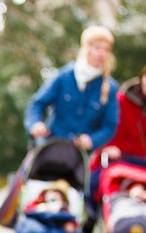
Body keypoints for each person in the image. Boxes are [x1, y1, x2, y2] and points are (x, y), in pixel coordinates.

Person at [24, 25, 119, 153]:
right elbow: (37, 103)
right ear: (87, 48)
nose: (101, 53)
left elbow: (109, 126)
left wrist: (92, 140)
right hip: (50, 147)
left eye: (106, 49)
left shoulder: (110, 88)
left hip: (78, 156)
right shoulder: (64, 76)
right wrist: (35, 124)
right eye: (97, 48)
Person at [94, 60, 146, 172]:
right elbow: (99, 127)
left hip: (139, 164)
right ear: (142, 77)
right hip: (111, 159)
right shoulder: (120, 100)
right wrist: (105, 148)